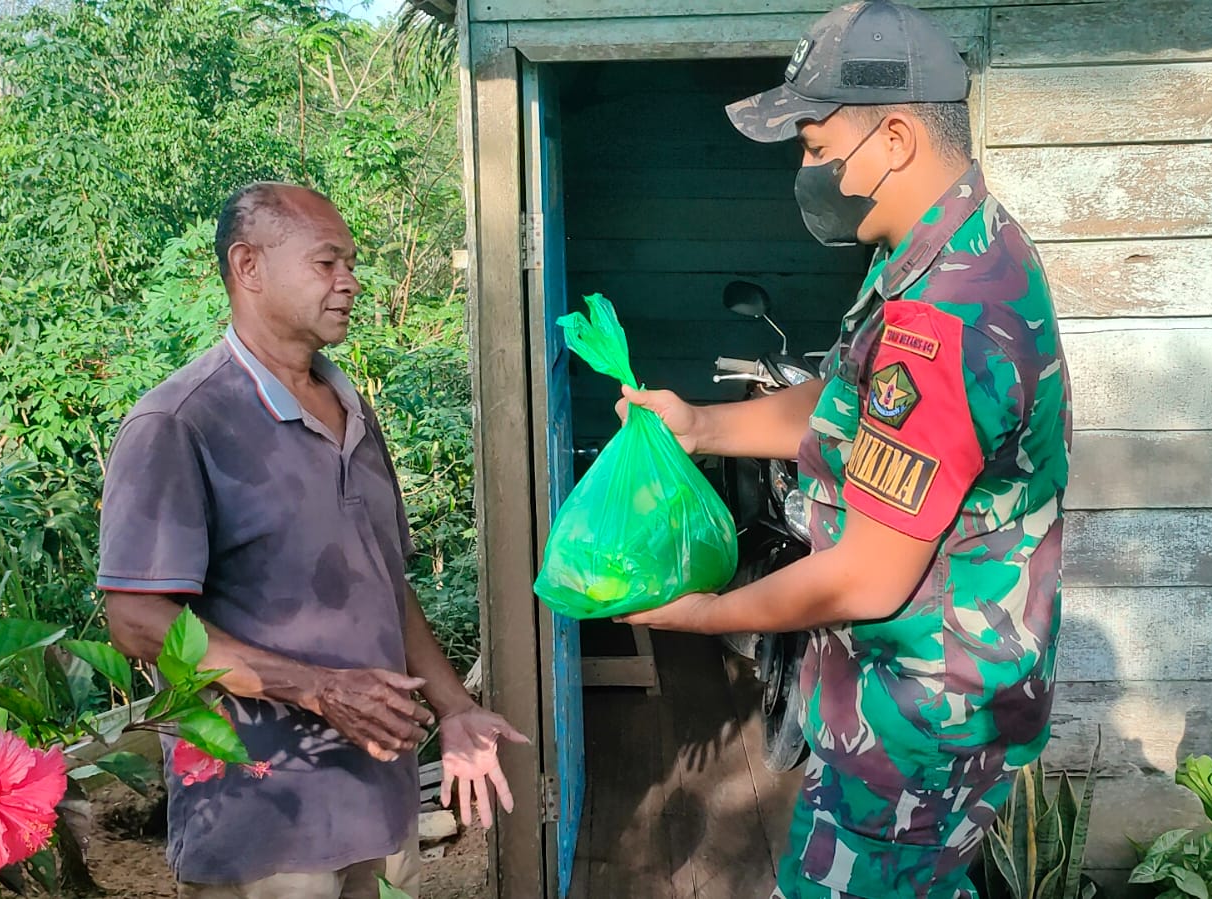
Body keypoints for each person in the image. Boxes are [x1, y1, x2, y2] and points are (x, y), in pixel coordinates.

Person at [618, 3, 1072, 897]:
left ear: (895, 135)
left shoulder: (943, 318)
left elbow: (868, 575)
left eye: (817, 143)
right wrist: (701, 426)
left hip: (919, 718)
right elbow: (841, 407)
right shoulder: (929, 250)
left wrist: (705, 613)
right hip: (910, 695)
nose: (808, 167)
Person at [98, 182, 528, 899]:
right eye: (327, 263)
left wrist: (455, 709)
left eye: (351, 263)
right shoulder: (180, 421)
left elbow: (387, 583)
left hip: (378, 807)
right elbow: (139, 621)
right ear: (249, 266)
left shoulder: (351, 407)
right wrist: (322, 690)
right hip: (266, 825)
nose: (350, 282)